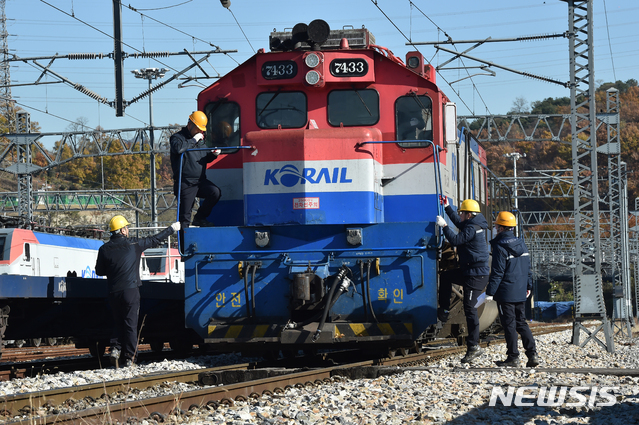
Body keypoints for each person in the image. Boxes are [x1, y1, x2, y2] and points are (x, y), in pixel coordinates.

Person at [95, 215, 180, 368]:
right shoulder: (134, 244)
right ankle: (129, 358)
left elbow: (99, 271)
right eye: (126, 227)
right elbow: (155, 240)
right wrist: (171, 229)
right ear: (122, 230)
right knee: (130, 324)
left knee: (117, 321)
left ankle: (115, 349)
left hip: (113, 292)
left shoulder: (104, 249)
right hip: (130, 290)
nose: (127, 230)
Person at [435, 198, 490, 363]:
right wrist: (447, 208)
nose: (461, 216)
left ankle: (474, 346)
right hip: (469, 271)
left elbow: (456, 240)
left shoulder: (472, 228)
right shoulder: (472, 224)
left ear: (469, 214)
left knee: (470, 308)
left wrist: (444, 227)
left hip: (475, 275)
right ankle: (444, 311)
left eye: (462, 213)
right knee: (446, 277)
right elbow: (459, 223)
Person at [485, 211, 540, 368]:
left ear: (501, 228)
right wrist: (528, 286)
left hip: (505, 293)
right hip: (521, 291)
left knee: (509, 324)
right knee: (521, 323)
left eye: (496, 225)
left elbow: (497, 272)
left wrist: (490, 292)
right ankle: (532, 354)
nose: (495, 228)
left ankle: (513, 358)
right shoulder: (522, 244)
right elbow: (528, 268)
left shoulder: (500, 246)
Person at [170, 111, 222, 229]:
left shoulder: (200, 141)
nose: (200, 132)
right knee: (185, 217)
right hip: (185, 183)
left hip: (200, 181)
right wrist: (193, 140)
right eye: (198, 128)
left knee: (215, 192)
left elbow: (203, 158)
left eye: (202, 129)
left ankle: (200, 217)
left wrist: (213, 155)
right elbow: (178, 149)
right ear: (190, 125)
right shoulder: (177, 138)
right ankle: (183, 245)